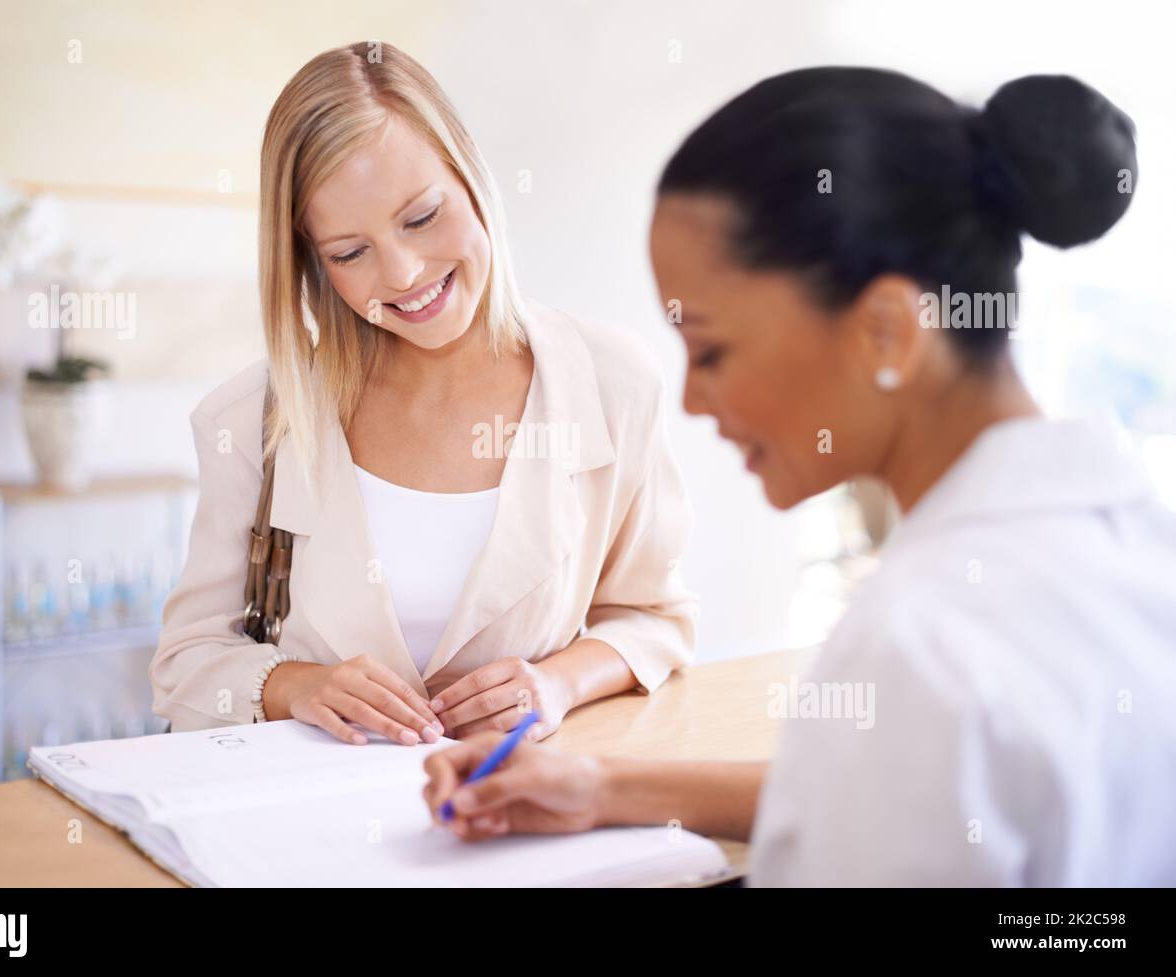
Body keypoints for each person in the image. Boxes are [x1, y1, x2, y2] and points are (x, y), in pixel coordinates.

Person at [422, 68, 1176, 885]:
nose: (692, 398)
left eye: (711, 350)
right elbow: (906, 792)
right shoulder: (1129, 537)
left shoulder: (920, 644)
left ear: (886, 331)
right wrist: (604, 785)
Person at [150, 43, 698, 743]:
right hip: (307, 829)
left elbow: (655, 618)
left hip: (514, 822)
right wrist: (296, 685)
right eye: (350, 252)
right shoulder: (253, 417)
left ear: (471, 176)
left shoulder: (613, 383)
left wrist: (556, 683)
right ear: (311, 263)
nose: (404, 273)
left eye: (421, 217)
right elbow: (185, 662)